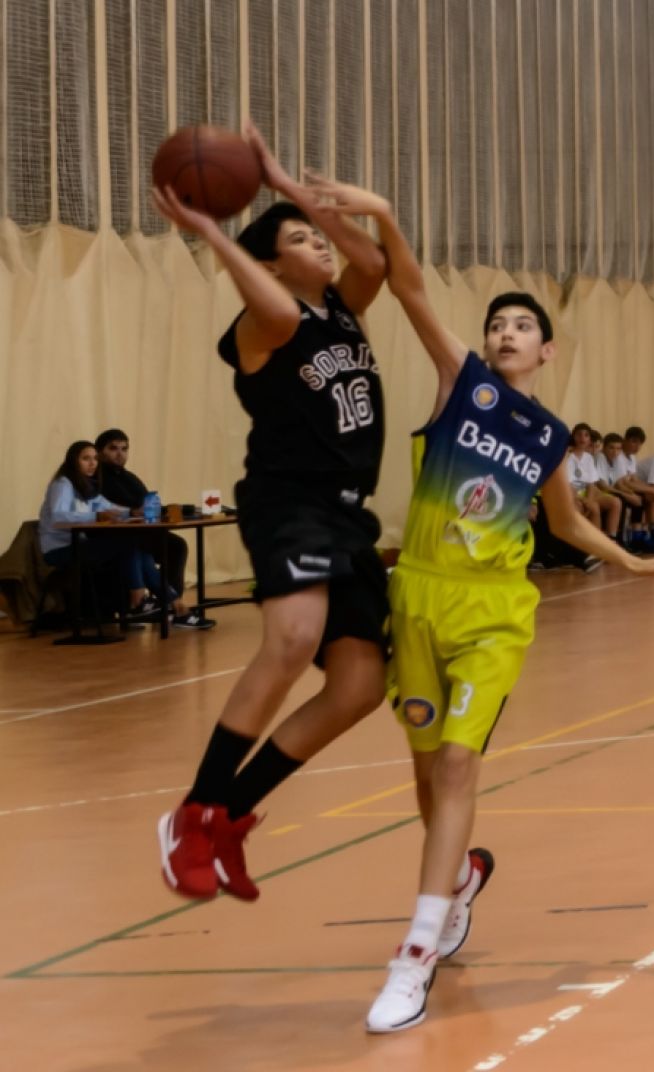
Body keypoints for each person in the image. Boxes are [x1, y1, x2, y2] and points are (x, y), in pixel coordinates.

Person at [303, 176, 654, 1034]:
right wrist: (381, 215)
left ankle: (412, 956)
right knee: (425, 774)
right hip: (416, 597)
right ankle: (457, 884)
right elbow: (407, 287)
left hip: (494, 610)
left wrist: (633, 568)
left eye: (522, 326)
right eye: (497, 323)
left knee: (456, 765)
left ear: (548, 351)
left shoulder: (552, 437)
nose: (505, 333)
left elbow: (563, 522)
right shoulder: (462, 384)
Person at [151, 122, 389, 903]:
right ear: (267, 260)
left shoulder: (342, 309)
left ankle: (234, 817)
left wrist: (295, 192)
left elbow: (373, 262)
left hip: (352, 516)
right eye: (299, 238)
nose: (321, 245)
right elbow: (275, 308)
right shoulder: (266, 324)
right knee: (292, 638)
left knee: (358, 687)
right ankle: (192, 813)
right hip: (291, 504)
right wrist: (214, 234)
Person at [95, 428, 215, 630]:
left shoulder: (129, 477)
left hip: (141, 532)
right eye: (113, 448)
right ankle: (172, 607)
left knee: (176, 545)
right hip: (118, 537)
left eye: (124, 449)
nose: (120, 453)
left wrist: (181, 509)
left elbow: (147, 504)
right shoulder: (96, 479)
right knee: (162, 547)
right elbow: (120, 510)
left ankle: (169, 606)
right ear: (100, 452)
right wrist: (135, 511)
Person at [38, 440, 165, 616]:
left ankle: (166, 599)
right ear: (73, 461)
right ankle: (140, 601)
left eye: (95, 459)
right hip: (60, 551)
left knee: (136, 544)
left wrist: (131, 513)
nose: (92, 464)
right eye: (85, 459)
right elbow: (59, 517)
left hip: (78, 545)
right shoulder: (62, 484)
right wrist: (95, 516)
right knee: (128, 544)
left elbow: (106, 507)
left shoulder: (86, 485)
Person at [567, 423, 622, 540]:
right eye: (579, 435)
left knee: (615, 502)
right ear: (574, 437)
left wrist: (589, 500)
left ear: (589, 439)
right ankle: (593, 545)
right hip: (571, 493)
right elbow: (568, 485)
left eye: (586, 435)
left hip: (585, 492)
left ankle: (611, 539)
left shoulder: (588, 458)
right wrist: (584, 501)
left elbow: (591, 483)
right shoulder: (568, 456)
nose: (582, 438)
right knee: (594, 508)